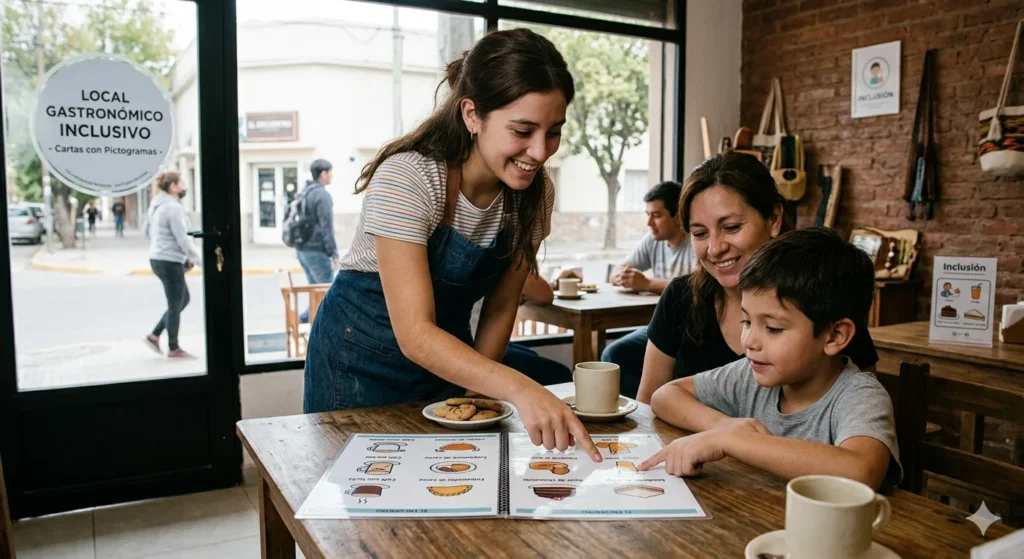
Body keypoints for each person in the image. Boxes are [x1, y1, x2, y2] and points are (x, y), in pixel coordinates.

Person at [304, 28, 600, 461]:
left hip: (450, 361)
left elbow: (502, 306)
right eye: (522, 130)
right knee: (363, 507)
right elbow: (416, 335)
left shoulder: (535, 194)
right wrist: (520, 389)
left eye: (553, 131)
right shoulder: (410, 178)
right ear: (472, 115)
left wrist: (474, 396)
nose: (540, 152)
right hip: (358, 363)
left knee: (448, 485)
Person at [639, 228, 901, 491]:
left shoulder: (859, 395)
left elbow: (861, 471)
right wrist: (724, 426)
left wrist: (731, 441)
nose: (749, 342)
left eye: (773, 328)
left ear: (834, 336)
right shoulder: (750, 375)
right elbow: (665, 396)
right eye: (746, 321)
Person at [634, 152, 878, 403]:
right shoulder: (679, 298)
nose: (715, 248)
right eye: (700, 233)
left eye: (731, 227)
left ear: (773, 219)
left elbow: (864, 404)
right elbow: (648, 407)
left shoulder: (823, 297)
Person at [600, 180, 697, 397]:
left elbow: (697, 286)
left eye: (657, 215)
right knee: (613, 354)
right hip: (660, 326)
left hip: (693, 328)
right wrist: (620, 275)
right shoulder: (653, 240)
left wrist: (647, 284)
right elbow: (620, 269)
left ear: (678, 215)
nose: (649, 222)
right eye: (648, 214)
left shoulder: (696, 240)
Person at [470, 270, 572, 386]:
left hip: (474, 339)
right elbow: (545, 294)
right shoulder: (510, 256)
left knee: (532, 354)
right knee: (561, 373)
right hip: (476, 346)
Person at [144, 171, 201, 359]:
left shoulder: (156, 205)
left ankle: (154, 335)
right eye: (182, 183)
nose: (184, 187)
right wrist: (200, 260)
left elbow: (147, 231)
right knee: (176, 302)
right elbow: (183, 239)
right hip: (168, 260)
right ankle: (174, 347)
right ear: (173, 187)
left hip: (158, 258)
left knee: (182, 300)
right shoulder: (173, 207)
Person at [290, 158, 339, 323]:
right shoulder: (322, 195)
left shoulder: (305, 191)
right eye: (330, 172)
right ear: (323, 174)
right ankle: (307, 321)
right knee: (328, 294)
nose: (332, 175)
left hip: (302, 250)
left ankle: (306, 320)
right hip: (317, 251)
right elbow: (327, 228)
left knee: (315, 291)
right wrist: (334, 254)